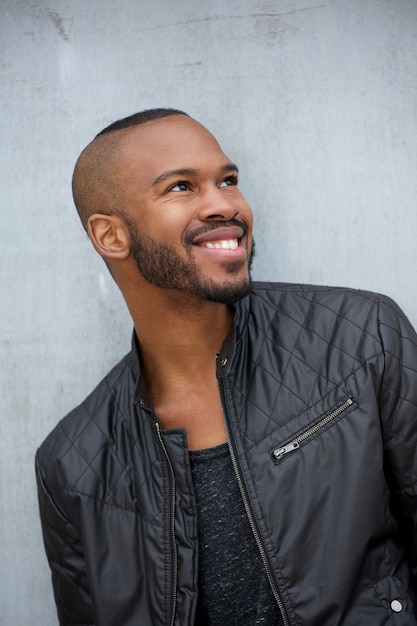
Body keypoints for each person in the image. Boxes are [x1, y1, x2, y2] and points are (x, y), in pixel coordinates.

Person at [36, 107, 417, 626]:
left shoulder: (361, 337)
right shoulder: (73, 468)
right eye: (180, 188)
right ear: (110, 236)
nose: (225, 205)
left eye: (228, 180)